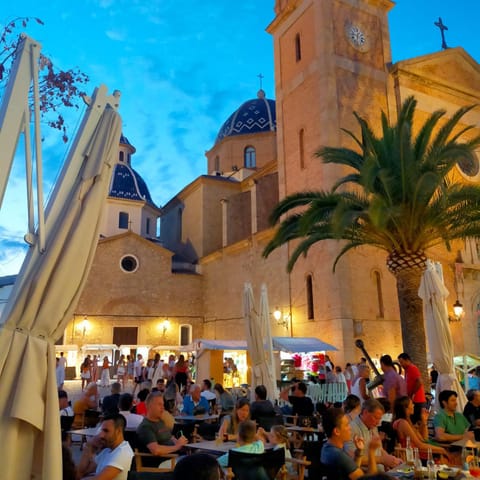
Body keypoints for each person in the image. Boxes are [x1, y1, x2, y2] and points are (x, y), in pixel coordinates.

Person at [321, 407, 381, 479]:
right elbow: (370, 479)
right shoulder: (339, 455)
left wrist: (358, 453)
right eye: (347, 425)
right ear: (337, 431)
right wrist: (371, 451)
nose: (350, 428)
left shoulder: (327, 448)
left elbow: (352, 471)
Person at [344, 398, 402, 471]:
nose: (378, 422)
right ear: (365, 412)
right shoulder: (351, 429)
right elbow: (353, 458)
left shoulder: (372, 426)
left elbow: (379, 449)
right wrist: (382, 460)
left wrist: (392, 460)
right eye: (376, 418)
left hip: (380, 473)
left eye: (379, 419)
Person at [77, 413, 134, 480]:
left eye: (106, 431)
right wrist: (88, 446)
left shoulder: (123, 452)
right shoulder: (108, 449)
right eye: (102, 430)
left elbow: (100, 479)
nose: (101, 435)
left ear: (118, 431)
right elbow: (83, 472)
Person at [392, 396, 448, 460]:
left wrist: (424, 422)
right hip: (413, 457)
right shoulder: (402, 423)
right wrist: (442, 450)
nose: (413, 405)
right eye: (411, 404)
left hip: (419, 453)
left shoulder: (408, 422)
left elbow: (424, 439)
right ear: (406, 408)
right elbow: (419, 445)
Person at [136, 391, 189, 459]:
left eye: (163, 405)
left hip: (175, 456)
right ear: (149, 406)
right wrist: (177, 447)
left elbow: (170, 438)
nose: (163, 407)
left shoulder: (160, 422)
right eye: (159, 404)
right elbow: (156, 450)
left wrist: (181, 444)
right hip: (163, 462)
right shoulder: (146, 427)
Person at [397, 352, 426, 424]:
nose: (401, 365)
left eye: (402, 362)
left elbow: (419, 381)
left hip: (417, 400)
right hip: (414, 400)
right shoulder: (407, 370)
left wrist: (412, 394)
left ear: (407, 360)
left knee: (416, 422)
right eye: (400, 363)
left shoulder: (412, 368)